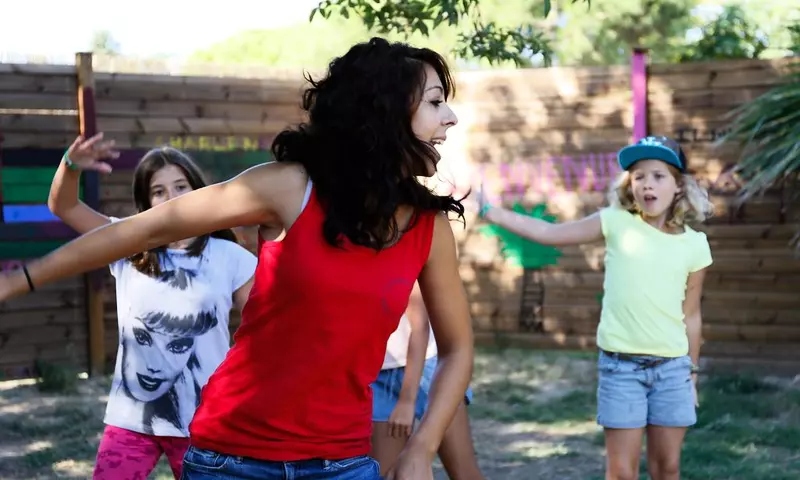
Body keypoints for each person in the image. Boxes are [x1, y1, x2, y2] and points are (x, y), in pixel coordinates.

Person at [0, 37, 474, 480]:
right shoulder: (290, 188)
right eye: (435, 102)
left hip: (344, 464)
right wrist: (18, 280)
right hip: (231, 461)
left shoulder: (429, 230)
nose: (450, 117)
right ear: (382, 109)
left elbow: (457, 350)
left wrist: (422, 446)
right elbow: (143, 230)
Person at [475, 135, 713, 480]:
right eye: (639, 176)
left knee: (667, 469)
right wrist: (489, 210)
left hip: (672, 373)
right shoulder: (616, 221)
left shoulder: (695, 245)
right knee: (621, 473)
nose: (647, 184)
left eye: (658, 176)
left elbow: (691, 315)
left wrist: (692, 375)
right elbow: (550, 233)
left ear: (678, 186)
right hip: (622, 369)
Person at [45, 136, 258, 480]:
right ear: (146, 203)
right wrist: (70, 165)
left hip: (203, 423)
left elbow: (262, 331)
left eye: (180, 186)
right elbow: (63, 206)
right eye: (159, 191)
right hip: (131, 421)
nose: (171, 197)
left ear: (198, 190)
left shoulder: (231, 256)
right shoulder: (127, 244)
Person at [372, 303, 484, 479]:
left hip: (427, 369)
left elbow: (420, 326)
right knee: (387, 475)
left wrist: (407, 400)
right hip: (377, 375)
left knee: (464, 473)